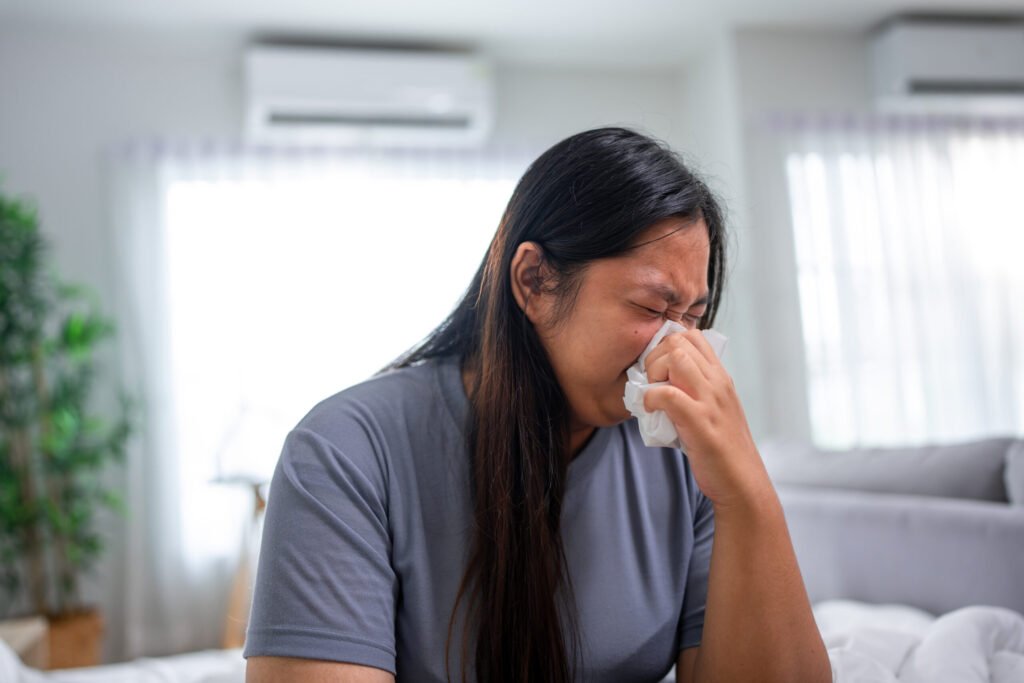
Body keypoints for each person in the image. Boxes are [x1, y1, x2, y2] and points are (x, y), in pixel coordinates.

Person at [244, 127, 831, 682]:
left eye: (693, 318)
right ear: (534, 281)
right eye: (652, 309)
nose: (673, 348)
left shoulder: (685, 463)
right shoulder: (344, 452)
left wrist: (747, 492)